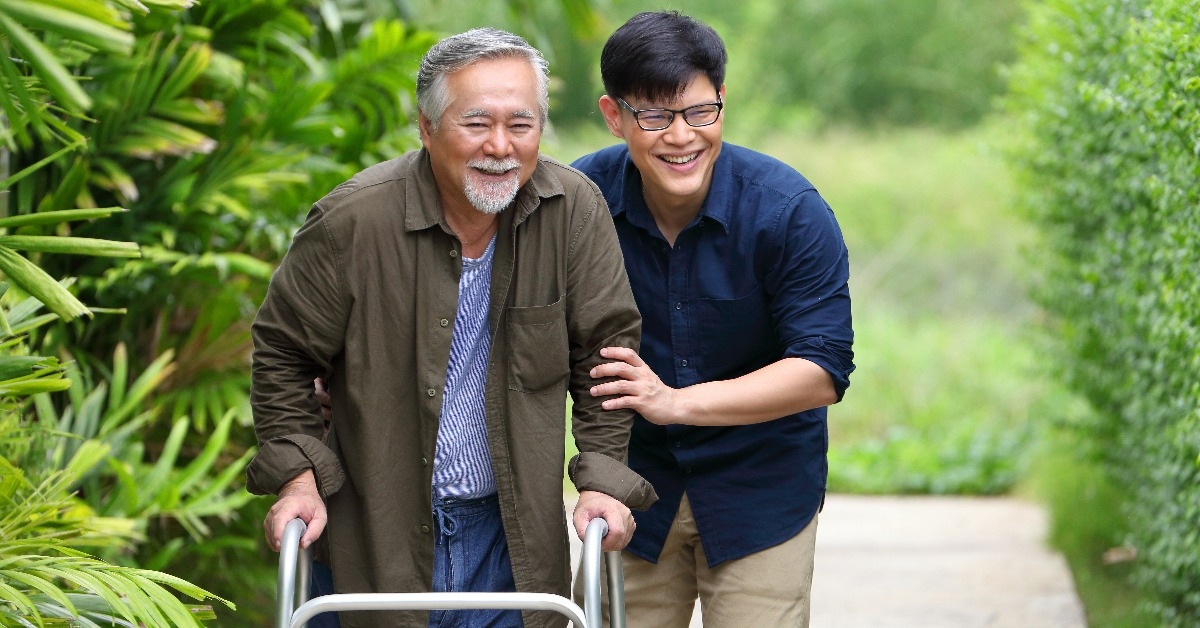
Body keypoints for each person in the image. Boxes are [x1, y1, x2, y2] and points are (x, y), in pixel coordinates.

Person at [246, 28, 656, 628]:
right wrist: (298, 479)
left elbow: (605, 357)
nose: (500, 146)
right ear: (426, 127)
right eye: (476, 123)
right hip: (373, 534)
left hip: (510, 538)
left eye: (521, 125)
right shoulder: (351, 222)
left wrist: (601, 480)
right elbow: (283, 353)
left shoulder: (573, 210)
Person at [570, 11, 855, 628]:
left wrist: (675, 402)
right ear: (614, 115)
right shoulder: (579, 202)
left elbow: (821, 369)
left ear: (722, 100)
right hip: (631, 489)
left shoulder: (788, 210)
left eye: (700, 112)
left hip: (760, 486)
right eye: (655, 116)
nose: (681, 136)